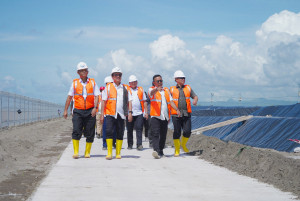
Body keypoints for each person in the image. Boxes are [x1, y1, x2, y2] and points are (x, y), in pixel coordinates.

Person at [63, 62, 100, 159]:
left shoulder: (92, 82)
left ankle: (87, 152)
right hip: (78, 111)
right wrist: (65, 110)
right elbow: (69, 97)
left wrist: (95, 108)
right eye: (82, 71)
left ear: (87, 71)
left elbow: (97, 96)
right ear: (78, 72)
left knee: (90, 132)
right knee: (76, 130)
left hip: (90, 111)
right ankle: (76, 152)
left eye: (85, 70)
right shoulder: (74, 83)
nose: (84, 72)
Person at [100, 67, 133, 160]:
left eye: (119, 75)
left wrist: (130, 113)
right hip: (110, 113)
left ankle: (118, 153)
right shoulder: (108, 87)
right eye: (116, 75)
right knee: (109, 132)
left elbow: (130, 101)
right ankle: (109, 153)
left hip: (121, 114)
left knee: (120, 132)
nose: (118, 76)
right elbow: (103, 101)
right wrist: (102, 114)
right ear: (112, 76)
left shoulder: (125, 88)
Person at [148, 74, 180, 159]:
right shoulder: (151, 89)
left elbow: (171, 102)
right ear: (154, 82)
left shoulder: (166, 90)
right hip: (155, 116)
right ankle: (156, 150)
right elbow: (151, 94)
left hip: (165, 116)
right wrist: (156, 89)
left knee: (163, 135)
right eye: (158, 81)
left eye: (161, 81)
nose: (160, 82)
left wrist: (177, 109)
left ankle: (161, 150)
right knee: (155, 134)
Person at [170, 70, 198, 157]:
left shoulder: (188, 88)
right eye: (181, 78)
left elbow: (195, 96)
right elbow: (169, 101)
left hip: (186, 114)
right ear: (176, 79)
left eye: (184, 78)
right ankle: (177, 149)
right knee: (177, 132)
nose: (183, 79)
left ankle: (183, 144)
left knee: (187, 131)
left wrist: (195, 100)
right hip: (176, 114)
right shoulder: (171, 89)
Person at [125, 75, 148, 150]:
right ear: (129, 83)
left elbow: (144, 101)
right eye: (132, 82)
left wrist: (146, 112)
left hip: (139, 113)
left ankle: (139, 144)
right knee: (129, 129)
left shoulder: (141, 89)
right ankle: (130, 144)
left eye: (135, 82)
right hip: (129, 113)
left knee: (139, 128)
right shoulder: (126, 89)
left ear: (137, 82)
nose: (134, 83)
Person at [101, 76, 117, 150]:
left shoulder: (116, 90)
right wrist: (102, 114)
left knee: (114, 129)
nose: (108, 84)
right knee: (106, 130)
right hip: (106, 114)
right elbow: (103, 103)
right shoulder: (105, 91)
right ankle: (105, 144)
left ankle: (113, 143)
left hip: (114, 114)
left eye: (110, 83)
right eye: (107, 83)